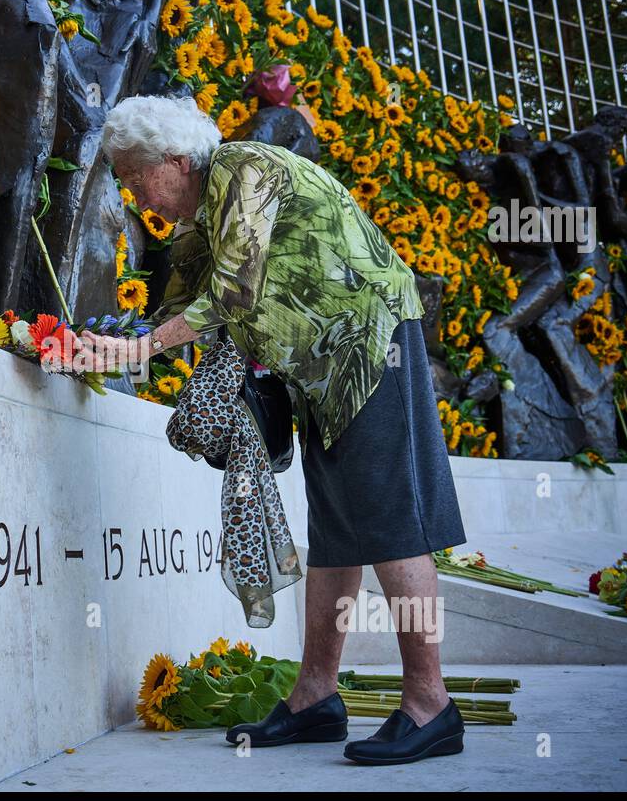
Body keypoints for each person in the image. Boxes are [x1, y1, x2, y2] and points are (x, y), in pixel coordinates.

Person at [83, 94, 468, 765]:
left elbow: (231, 294)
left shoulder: (243, 165)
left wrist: (135, 352)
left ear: (173, 161)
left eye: (133, 174)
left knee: (393, 522)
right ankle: (316, 696)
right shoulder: (199, 215)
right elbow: (179, 309)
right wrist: (101, 346)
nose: (132, 192)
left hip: (371, 339)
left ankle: (430, 702)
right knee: (339, 530)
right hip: (318, 366)